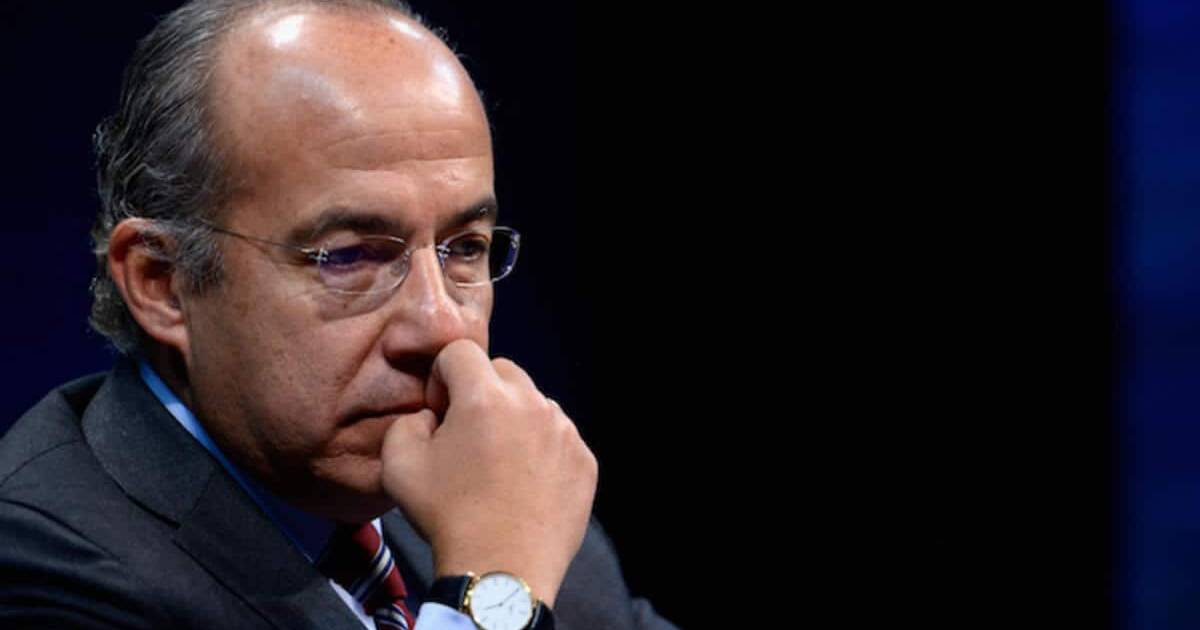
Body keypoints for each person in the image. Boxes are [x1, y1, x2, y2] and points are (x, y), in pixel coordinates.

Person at [0, 1, 679, 629]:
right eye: (351, 256)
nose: (442, 326)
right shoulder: (42, 565)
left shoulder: (494, 500)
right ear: (163, 284)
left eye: (465, 248)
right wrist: (496, 590)